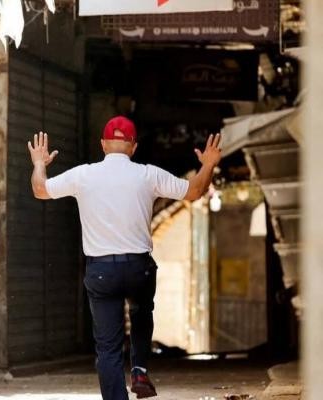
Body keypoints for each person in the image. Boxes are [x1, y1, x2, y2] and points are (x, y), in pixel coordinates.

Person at [27, 116, 221, 400]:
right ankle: (140, 368)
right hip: (138, 268)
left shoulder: (83, 175)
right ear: (133, 147)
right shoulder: (148, 175)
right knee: (141, 310)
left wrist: (39, 164)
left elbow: (40, 190)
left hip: (101, 271)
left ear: (103, 144)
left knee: (108, 348)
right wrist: (209, 164)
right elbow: (194, 191)